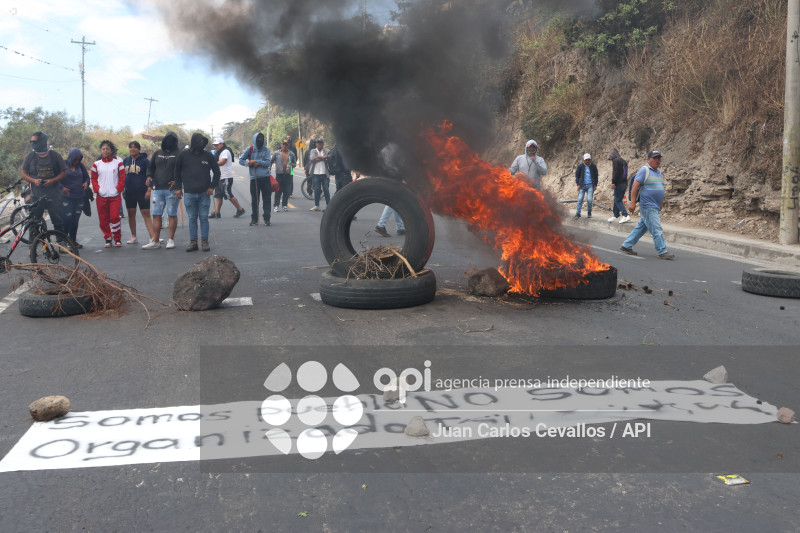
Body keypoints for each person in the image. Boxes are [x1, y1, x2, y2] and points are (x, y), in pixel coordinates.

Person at [620, 150, 675, 260]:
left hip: (655, 205)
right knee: (657, 228)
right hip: (647, 205)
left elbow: (660, 188)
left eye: (659, 158)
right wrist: (632, 203)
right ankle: (662, 251)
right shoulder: (644, 170)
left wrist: (661, 202)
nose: (657, 160)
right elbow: (635, 187)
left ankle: (627, 245)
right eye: (654, 158)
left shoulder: (658, 172)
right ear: (648, 159)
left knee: (641, 227)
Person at [174, 132, 220, 252]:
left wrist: (212, 187)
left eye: (202, 142)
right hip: (189, 193)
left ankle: (204, 241)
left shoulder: (208, 155)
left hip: (205, 193)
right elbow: (176, 172)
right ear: (194, 142)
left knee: (204, 218)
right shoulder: (183, 155)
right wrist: (178, 188)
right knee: (192, 218)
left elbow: (217, 172)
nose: (201, 144)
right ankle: (193, 242)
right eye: (199, 141)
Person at [21, 131, 67, 235]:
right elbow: (24, 174)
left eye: (35, 141)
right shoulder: (30, 156)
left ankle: (61, 243)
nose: (33, 144)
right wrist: (34, 181)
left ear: (43, 142)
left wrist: (52, 180)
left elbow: (63, 173)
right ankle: (33, 248)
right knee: (34, 224)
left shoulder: (55, 156)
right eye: (31, 142)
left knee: (58, 222)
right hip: (36, 196)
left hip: (53, 196)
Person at [143, 132, 181, 249]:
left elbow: (184, 169)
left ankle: (171, 240)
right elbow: (151, 167)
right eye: (167, 139)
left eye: (171, 140)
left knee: (172, 214)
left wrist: (178, 182)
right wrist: (149, 176)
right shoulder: (157, 153)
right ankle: (155, 241)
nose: (169, 142)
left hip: (172, 190)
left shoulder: (179, 154)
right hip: (158, 189)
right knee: (156, 214)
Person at [90, 140, 126, 247]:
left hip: (115, 196)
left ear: (111, 151)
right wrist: (98, 190)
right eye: (103, 149)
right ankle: (108, 238)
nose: (105, 151)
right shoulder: (96, 164)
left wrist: (118, 189)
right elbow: (94, 179)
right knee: (103, 218)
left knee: (115, 217)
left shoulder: (118, 163)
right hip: (101, 196)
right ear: (101, 150)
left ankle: (117, 238)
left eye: (107, 149)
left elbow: (122, 178)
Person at [122, 141, 154, 244]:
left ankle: (152, 237)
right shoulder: (125, 161)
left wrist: (149, 190)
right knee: (131, 213)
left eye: (135, 147)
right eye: (131, 147)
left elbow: (150, 176)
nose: (132, 149)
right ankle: (133, 236)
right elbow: (122, 176)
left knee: (146, 213)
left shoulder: (145, 161)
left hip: (142, 191)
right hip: (129, 192)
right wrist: (123, 189)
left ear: (139, 149)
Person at [239, 132, 272, 226]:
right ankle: (254, 219)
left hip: (265, 178)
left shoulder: (266, 150)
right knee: (255, 200)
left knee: (267, 199)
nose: (260, 140)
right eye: (258, 138)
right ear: (254, 139)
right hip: (254, 178)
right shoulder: (250, 149)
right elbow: (241, 160)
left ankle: (267, 218)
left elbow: (268, 163)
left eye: (262, 138)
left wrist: (257, 162)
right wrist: (249, 163)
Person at [60, 148, 90, 248]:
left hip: (80, 197)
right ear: (71, 157)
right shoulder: (63, 166)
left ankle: (73, 241)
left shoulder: (80, 166)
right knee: (67, 219)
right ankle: (64, 240)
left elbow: (87, 177)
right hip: (67, 197)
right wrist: (62, 188)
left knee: (75, 220)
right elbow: (57, 180)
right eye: (75, 159)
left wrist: (86, 182)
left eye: (79, 159)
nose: (77, 161)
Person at [210, 137, 246, 219]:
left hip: (226, 176)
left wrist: (213, 164)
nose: (215, 146)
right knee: (218, 195)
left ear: (221, 144)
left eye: (217, 145)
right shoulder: (218, 152)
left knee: (228, 194)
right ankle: (217, 212)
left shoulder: (225, 151)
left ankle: (240, 209)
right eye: (214, 145)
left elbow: (222, 162)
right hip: (219, 176)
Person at [270, 140, 296, 212]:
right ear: (281, 145)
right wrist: (269, 169)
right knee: (278, 190)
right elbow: (271, 161)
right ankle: (276, 205)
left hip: (288, 174)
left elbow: (294, 163)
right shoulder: (276, 153)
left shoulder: (291, 154)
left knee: (286, 191)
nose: (284, 146)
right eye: (283, 145)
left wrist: (291, 165)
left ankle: (285, 205)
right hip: (279, 174)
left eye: (286, 145)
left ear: (288, 146)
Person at [607, 148, 630, 223]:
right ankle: (615, 215)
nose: (611, 160)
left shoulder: (616, 161)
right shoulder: (623, 161)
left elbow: (615, 172)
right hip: (624, 183)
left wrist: (613, 182)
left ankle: (625, 215)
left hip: (619, 183)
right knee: (616, 199)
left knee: (618, 200)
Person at [307, 138, 331, 211]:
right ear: (316, 144)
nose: (319, 144)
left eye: (321, 143)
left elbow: (330, 157)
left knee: (326, 189)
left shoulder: (327, 150)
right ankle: (316, 205)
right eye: (318, 143)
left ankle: (329, 205)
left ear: (323, 144)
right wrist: (324, 157)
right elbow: (312, 158)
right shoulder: (313, 151)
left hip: (325, 173)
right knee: (317, 189)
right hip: (315, 173)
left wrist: (318, 157)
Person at [574, 153, 598, 219]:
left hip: (590, 185)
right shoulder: (580, 166)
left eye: (589, 160)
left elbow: (596, 176)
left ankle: (589, 212)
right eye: (586, 160)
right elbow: (577, 176)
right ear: (584, 160)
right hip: (582, 185)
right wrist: (578, 184)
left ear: (590, 160)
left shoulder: (593, 166)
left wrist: (595, 184)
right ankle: (578, 213)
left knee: (589, 200)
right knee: (580, 199)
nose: (587, 161)